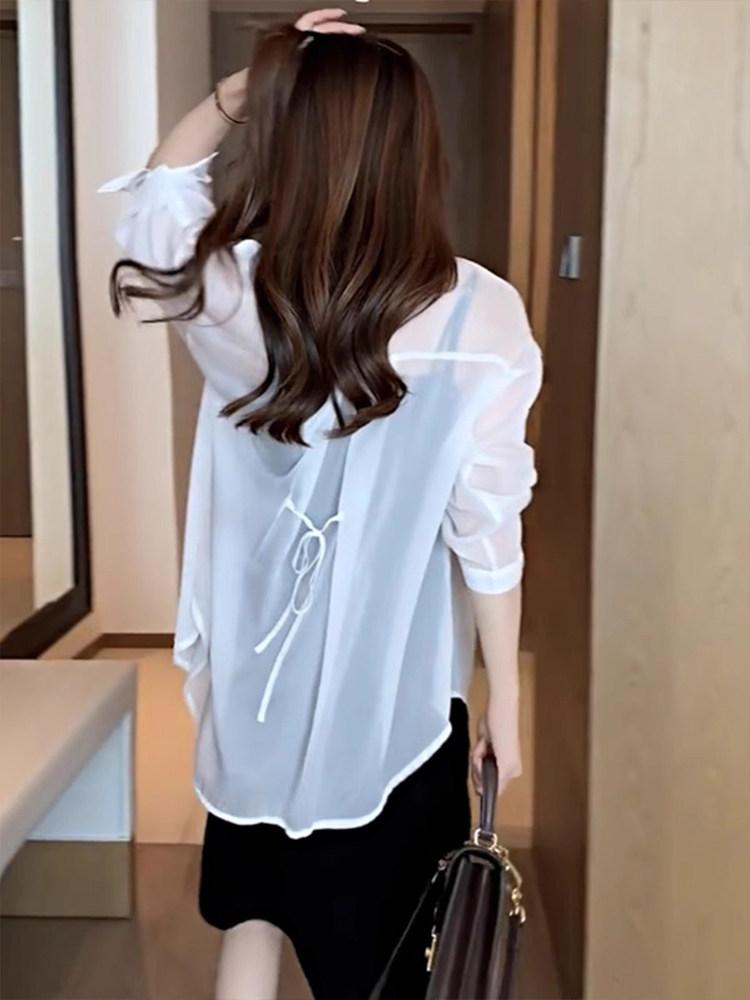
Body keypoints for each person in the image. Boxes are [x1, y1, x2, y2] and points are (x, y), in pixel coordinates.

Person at [103, 9, 542, 1000]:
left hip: (254, 689)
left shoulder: (233, 291)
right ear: (416, 155)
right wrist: (507, 709)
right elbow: (488, 535)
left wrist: (248, 86)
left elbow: (159, 197)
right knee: (381, 960)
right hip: (390, 708)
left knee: (254, 914)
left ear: (288, 141)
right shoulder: (479, 318)